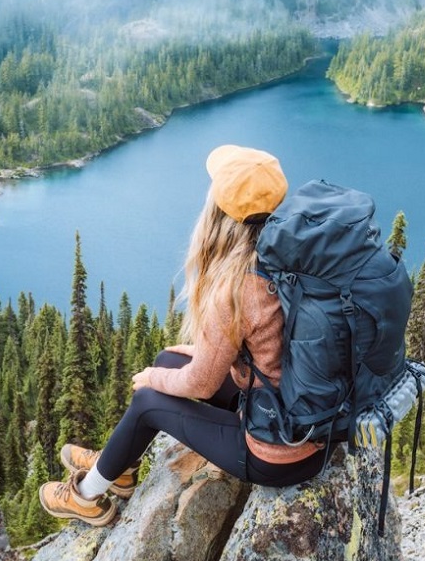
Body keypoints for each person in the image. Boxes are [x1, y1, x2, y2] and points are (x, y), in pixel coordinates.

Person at [38, 144, 328, 527]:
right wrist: (192, 355)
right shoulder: (291, 253)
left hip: (277, 453)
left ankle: (85, 496)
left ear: (221, 214)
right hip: (302, 416)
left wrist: (154, 380)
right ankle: (119, 466)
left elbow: (203, 385)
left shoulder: (237, 285)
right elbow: (269, 342)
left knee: (147, 399)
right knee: (169, 359)